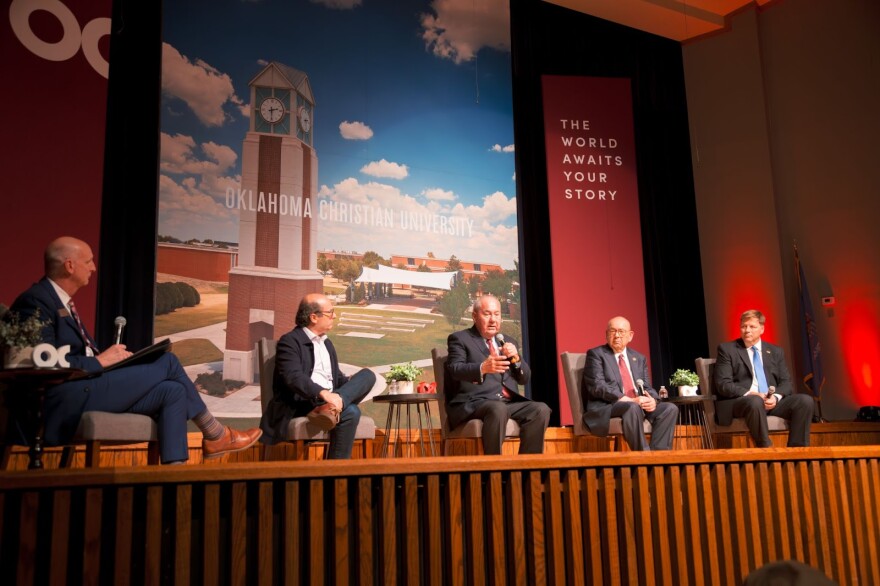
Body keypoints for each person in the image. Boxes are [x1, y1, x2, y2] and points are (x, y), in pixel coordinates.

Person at [7, 236, 262, 464]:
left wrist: (111, 361)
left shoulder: (60, 302)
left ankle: (174, 481)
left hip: (86, 387)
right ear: (69, 265)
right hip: (63, 397)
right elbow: (41, 361)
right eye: (89, 262)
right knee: (168, 362)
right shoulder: (36, 301)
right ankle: (215, 433)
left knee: (171, 391)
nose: (94, 267)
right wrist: (101, 361)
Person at [260, 293, 376, 459]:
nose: (334, 316)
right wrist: (323, 393)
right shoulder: (290, 341)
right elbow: (293, 377)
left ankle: (333, 406)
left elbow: (335, 378)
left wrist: (350, 384)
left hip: (330, 400)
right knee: (351, 411)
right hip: (303, 403)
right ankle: (336, 476)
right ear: (314, 317)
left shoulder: (326, 344)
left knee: (367, 375)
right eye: (330, 312)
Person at [445, 294, 551, 455]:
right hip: (475, 402)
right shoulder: (460, 339)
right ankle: (493, 470)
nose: (493, 320)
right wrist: (482, 368)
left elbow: (524, 378)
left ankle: (528, 469)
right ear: (474, 316)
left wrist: (517, 358)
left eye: (497, 314)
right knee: (498, 408)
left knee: (540, 409)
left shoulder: (507, 341)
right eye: (487, 314)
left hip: (507, 402)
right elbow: (454, 369)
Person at [714, 309, 813, 447]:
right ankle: (765, 448)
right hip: (742, 402)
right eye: (743, 326)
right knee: (755, 401)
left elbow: (786, 383)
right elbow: (723, 384)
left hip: (769, 401)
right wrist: (751, 393)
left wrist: (776, 397)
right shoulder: (727, 349)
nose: (747, 330)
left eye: (752, 326)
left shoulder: (775, 351)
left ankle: (797, 449)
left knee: (804, 401)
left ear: (762, 329)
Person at [582, 316, 678, 451]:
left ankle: (658, 456)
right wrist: (627, 399)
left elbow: (646, 386)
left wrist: (653, 400)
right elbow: (597, 386)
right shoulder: (596, 354)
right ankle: (642, 456)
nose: (616, 335)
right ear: (606, 334)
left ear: (630, 335)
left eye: (621, 331)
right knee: (631, 407)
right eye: (612, 331)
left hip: (637, 404)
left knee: (669, 409)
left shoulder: (638, 358)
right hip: (608, 405)